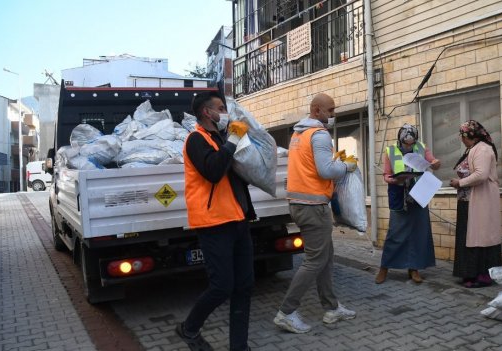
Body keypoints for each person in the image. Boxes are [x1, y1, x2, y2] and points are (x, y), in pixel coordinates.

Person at [273, 93, 357, 334]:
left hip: (301, 203)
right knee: (315, 260)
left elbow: (311, 167)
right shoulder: (319, 135)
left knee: (326, 256)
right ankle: (286, 312)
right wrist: (346, 166)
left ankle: (331, 308)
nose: (333, 114)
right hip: (313, 207)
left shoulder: (298, 134)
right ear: (316, 110)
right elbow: (326, 170)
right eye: (330, 110)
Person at [176, 91, 254, 351]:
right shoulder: (195, 140)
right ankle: (188, 328)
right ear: (207, 113)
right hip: (213, 224)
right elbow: (212, 171)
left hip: (238, 221)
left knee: (244, 287)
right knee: (222, 287)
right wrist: (232, 140)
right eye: (220, 108)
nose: (225, 113)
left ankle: (239, 347)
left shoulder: (220, 138)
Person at [375, 124, 441, 284]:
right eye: (406, 144)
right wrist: (394, 180)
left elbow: (433, 162)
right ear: (400, 140)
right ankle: (384, 267)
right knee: (395, 233)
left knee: (418, 233)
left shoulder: (421, 147)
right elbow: (386, 175)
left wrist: (435, 163)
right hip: (399, 195)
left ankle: (414, 269)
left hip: (419, 195)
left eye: (411, 144)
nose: (409, 146)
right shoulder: (390, 150)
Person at [449, 120, 502, 288]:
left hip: (481, 200)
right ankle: (469, 274)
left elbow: (481, 175)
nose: (460, 139)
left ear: (469, 135)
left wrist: (460, 183)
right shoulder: (473, 149)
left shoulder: (483, 149)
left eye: (462, 135)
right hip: (469, 201)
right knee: (468, 236)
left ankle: (483, 276)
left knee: (481, 237)